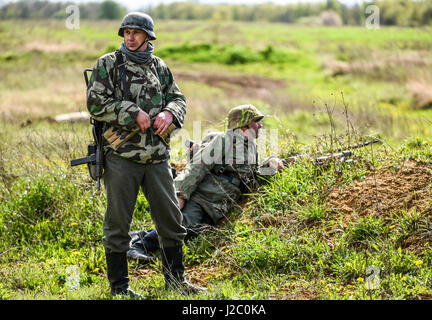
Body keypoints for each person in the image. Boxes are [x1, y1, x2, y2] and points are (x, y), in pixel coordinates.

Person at [86, 12, 204, 297]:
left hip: (156, 157)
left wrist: (169, 113)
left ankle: (176, 282)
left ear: (148, 37)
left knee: (171, 221)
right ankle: (120, 289)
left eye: (136, 33)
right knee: (118, 224)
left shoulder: (160, 67)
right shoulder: (109, 64)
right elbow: (94, 102)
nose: (130, 36)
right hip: (121, 157)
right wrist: (131, 113)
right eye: (126, 32)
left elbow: (178, 98)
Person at [127, 104, 285, 262]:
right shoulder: (223, 140)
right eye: (256, 121)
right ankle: (141, 246)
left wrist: (270, 163)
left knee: (194, 232)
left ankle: (139, 235)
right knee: (184, 226)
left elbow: (252, 178)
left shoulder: (250, 148)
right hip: (201, 199)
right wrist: (180, 195)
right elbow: (197, 166)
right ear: (243, 125)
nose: (260, 125)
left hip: (216, 206)